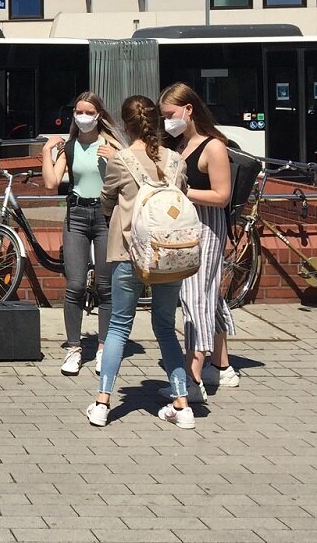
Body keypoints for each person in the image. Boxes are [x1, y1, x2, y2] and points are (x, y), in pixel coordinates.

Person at [87, 95, 194, 429]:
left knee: (119, 324)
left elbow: (107, 200)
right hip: (169, 254)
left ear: (124, 124)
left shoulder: (120, 160)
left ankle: (103, 403)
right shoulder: (176, 160)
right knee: (165, 327)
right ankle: (182, 404)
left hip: (128, 251)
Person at [160, 82, 240, 394]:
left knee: (194, 296)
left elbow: (222, 196)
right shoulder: (180, 146)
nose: (168, 121)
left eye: (171, 114)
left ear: (189, 110)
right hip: (185, 226)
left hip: (206, 229)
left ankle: (191, 378)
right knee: (208, 295)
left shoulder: (214, 146)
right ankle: (221, 366)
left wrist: (183, 191)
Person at [40, 92, 122, 377]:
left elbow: (131, 178)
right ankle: (74, 348)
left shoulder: (110, 145)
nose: (82, 117)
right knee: (74, 284)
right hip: (76, 214)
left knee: (104, 286)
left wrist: (116, 159)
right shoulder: (71, 146)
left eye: (88, 112)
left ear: (99, 114)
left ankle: (103, 349)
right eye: (78, 111)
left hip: (105, 216)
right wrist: (46, 152)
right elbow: (51, 183)